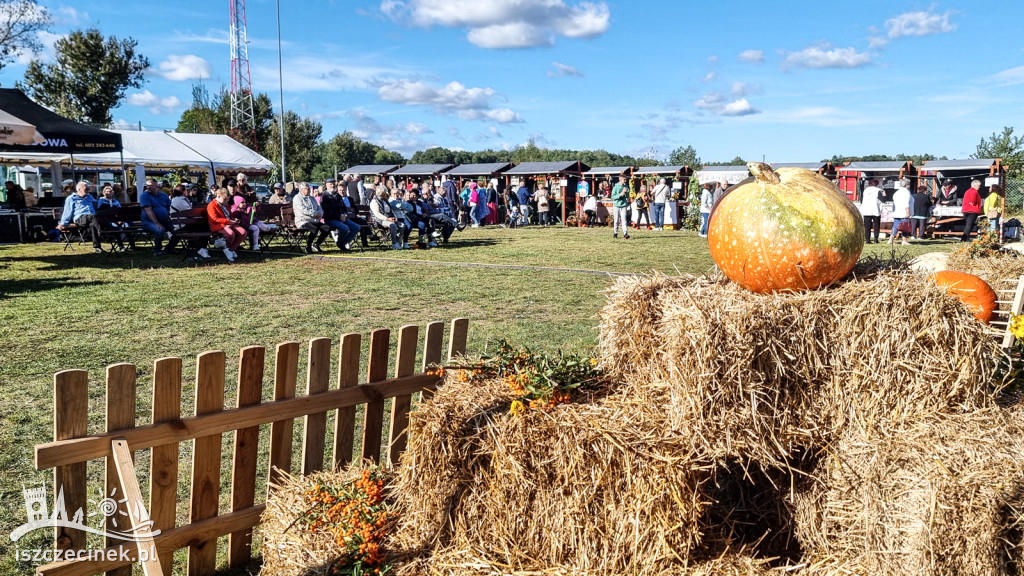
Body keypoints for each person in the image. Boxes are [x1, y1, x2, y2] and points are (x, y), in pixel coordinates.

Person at [57, 181, 103, 252]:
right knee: (93, 217)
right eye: (86, 189)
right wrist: (63, 223)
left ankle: (97, 247)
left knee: (93, 224)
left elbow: (96, 203)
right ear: (79, 189)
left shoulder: (89, 197)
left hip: (92, 218)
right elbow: (67, 211)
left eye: (88, 189)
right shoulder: (71, 198)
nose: (88, 190)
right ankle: (102, 232)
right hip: (80, 218)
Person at [139, 178, 178, 256]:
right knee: (159, 231)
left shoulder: (164, 195)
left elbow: (170, 207)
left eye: (151, 185)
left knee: (178, 231)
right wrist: (157, 223)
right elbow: (149, 211)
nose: (148, 187)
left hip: (165, 221)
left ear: (157, 186)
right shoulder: (144, 196)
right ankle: (157, 250)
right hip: (149, 222)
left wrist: (172, 219)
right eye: (147, 185)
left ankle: (168, 248)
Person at [207, 188, 246, 262]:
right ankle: (228, 249)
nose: (226, 201)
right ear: (218, 196)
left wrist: (235, 220)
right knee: (230, 234)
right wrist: (228, 221)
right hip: (218, 225)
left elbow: (230, 216)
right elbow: (214, 219)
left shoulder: (226, 205)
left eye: (227, 199)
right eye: (225, 199)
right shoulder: (212, 205)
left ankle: (230, 249)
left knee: (243, 232)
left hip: (229, 223)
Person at [320, 179, 360, 251]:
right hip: (330, 219)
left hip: (342, 218)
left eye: (333, 183)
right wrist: (339, 216)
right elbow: (327, 211)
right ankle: (340, 242)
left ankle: (343, 242)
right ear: (326, 185)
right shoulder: (325, 196)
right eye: (330, 184)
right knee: (345, 228)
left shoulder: (337, 195)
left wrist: (344, 215)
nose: (333, 185)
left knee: (356, 227)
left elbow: (343, 208)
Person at [291, 182, 331, 253]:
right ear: (301, 190)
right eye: (307, 188)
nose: (309, 190)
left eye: (309, 188)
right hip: (303, 220)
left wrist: (320, 214)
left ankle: (316, 244)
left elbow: (319, 207)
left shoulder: (312, 198)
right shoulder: (297, 198)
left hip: (314, 220)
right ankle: (308, 246)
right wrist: (314, 214)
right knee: (314, 229)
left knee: (327, 228)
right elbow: (303, 209)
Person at [860, 178, 883, 243]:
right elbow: (883, 200)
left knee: (867, 226)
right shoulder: (879, 190)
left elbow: (861, 199)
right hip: (876, 209)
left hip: (866, 209)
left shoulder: (865, 190)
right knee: (876, 225)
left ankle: (867, 239)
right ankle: (876, 239)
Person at [890, 178, 912, 245]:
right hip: (903, 212)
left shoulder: (897, 192)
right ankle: (904, 240)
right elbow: (906, 202)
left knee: (895, 225)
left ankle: (891, 239)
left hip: (896, 211)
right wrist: (908, 211)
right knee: (904, 226)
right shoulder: (906, 192)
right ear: (907, 185)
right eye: (909, 185)